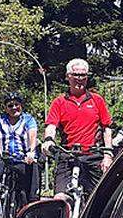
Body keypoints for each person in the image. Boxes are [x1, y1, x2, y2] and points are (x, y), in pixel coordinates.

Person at [41, 58, 113, 202]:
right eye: (76, 75)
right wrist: (48, 140)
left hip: (91, 154)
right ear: (68, 76)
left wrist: (108, 154)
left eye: (83, 75)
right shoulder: (59, 102)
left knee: (100, 200)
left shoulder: (97, 100)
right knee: (60, 199)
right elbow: (51, 126)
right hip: (68, 154)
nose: (79, 79)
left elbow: (107, 128)